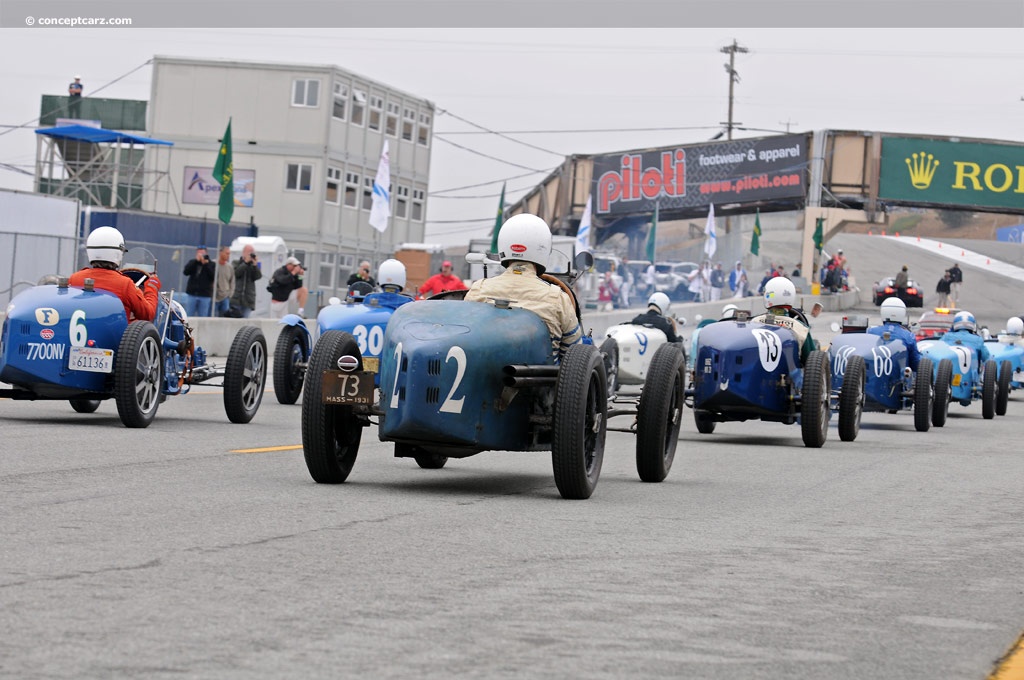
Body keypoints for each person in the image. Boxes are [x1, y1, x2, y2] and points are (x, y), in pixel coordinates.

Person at [465, 213, 582, 362]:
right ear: (544, 249)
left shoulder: (478, 290)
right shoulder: (558, 298)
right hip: (542, 382)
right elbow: (573, 354)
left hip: (484, 380)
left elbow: (466, 339)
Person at [68, 226, 161, 321]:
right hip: (114, 335)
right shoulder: (125, 284)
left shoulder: (75, 278)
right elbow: (148, 314)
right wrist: (151, 288)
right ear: (117, 253)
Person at [752, 276, 816, 363]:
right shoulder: (801, 328)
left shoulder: (754, 322)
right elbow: (812, 360)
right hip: (789, 375)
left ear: (767, 296)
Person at [868, 297, 921, 371]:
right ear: (902, 313)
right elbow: (915, 363)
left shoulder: (871, 331)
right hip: (899, 378)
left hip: (875, 374)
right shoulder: (909, 336)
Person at [230, 244, 262, 318]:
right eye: (249, 252)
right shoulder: (236, 262)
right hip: (236, 298)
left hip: (248, 299)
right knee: (234, 320)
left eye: (252, 252)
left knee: (245, 321)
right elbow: (236, 273)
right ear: (243, 252)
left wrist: (254, 265)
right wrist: (245, 263)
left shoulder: (254, 266)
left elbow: (258, 276)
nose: (251, 254)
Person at [182, 246, 215, 317]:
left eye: (202, 253)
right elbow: (186, 272)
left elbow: (213, 276)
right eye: (199, 253)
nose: (201, 255)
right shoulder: (193, 262)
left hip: (205, 295)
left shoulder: (212, 264)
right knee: (189, 315)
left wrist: (206, 264)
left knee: (203, 316)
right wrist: (195, 261)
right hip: (192, 294)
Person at [213, 246, 235, 317]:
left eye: (229, 254)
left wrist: (230, 294)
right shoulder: (213, 264)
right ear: (220, 253)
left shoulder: (229, 267)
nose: (228, 256)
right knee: (213, 317)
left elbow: (232, 281)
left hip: (225, 297)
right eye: (226, 253)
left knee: (224, 318)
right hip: (214, 297)